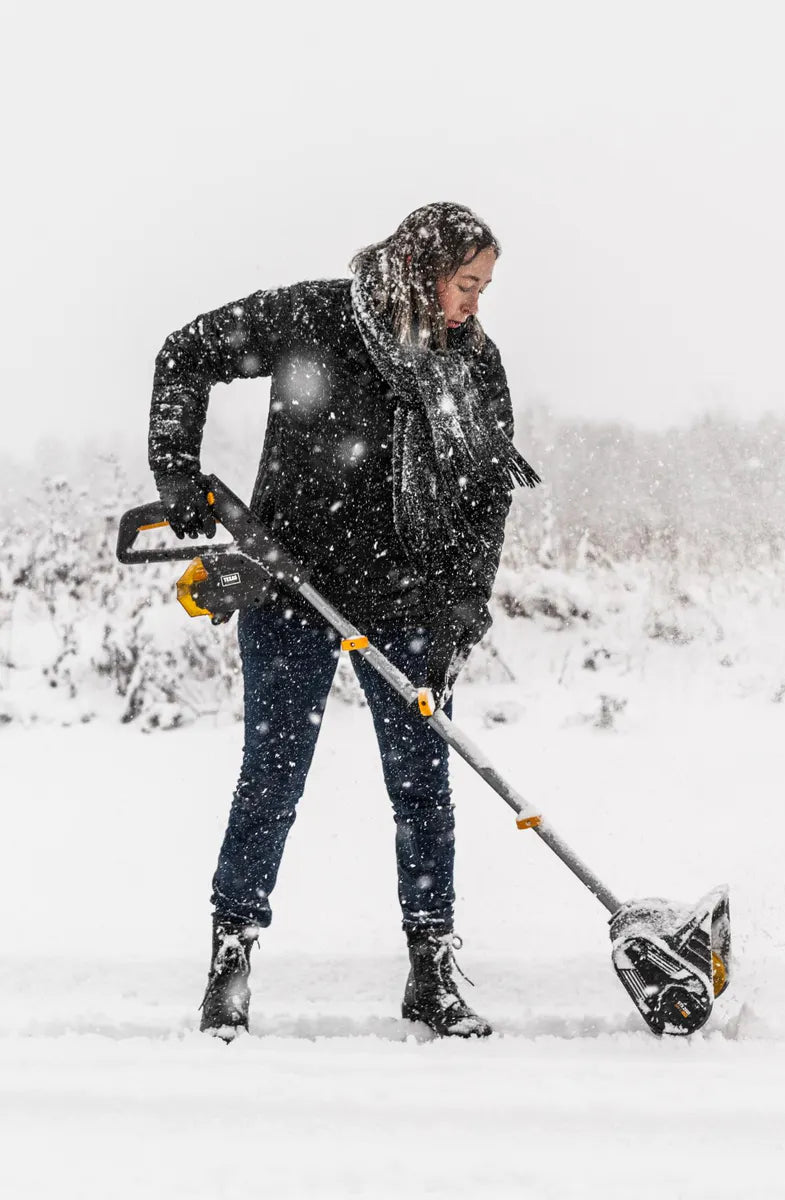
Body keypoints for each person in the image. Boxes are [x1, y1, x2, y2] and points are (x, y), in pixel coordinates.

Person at [147, 202, 538, 1039]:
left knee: (421, 784)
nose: (474, 304)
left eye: (484, 288)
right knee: (272, 778)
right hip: (290, 589)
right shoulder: (315, 316)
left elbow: (484, 497)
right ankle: (232, 954)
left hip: (408, 601)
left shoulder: (470, 362)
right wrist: (177, 467)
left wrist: (465, 605)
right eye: (465, 284)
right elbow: (185, 354)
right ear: (420, 268)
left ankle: (430, 967)